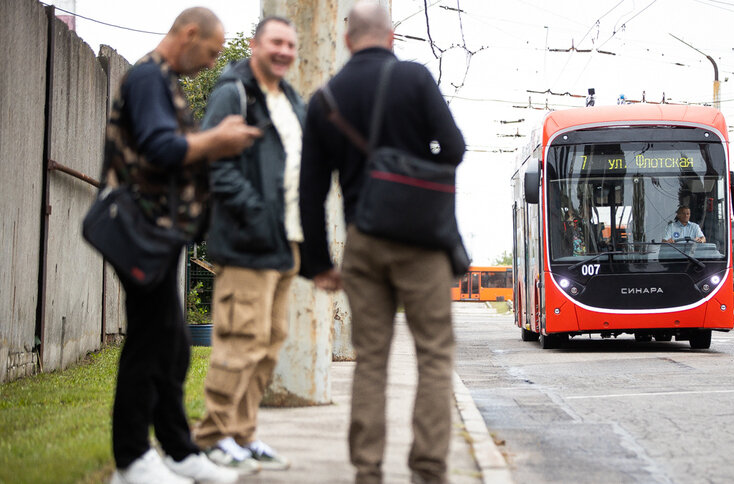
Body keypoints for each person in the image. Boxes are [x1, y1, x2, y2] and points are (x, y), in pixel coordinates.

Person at [299, 3, 466, 483]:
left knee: (371, 358)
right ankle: (429, 468)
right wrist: (414, 166)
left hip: (364, 240)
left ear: (347, 40)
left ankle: (367, 471)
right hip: (422, 242)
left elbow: (310, 192)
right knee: (433, 352)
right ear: (391, 38)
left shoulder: (325, 99)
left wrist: (320, 264)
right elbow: (453, 148)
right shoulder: (415, 79)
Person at [105, 7, 261, 484]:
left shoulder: (164, 80)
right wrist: (218, 138)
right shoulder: (149, 80)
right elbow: (159, 147)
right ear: (189, 33)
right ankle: (131, 460)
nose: (213, 63)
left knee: (171, 345)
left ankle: (177, 450)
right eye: (213, 52)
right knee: (150, 343)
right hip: (139, 230)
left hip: (158, 231)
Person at [192, 16, 304, 475]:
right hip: (245, 241)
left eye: (290, 45)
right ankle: (211, 437)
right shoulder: (233, 93)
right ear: (257, 45)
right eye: (276, 42)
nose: (283, 51)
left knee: (269, 342)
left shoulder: (290, 99)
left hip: (286, 242)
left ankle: (243, 434)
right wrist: (257, 214)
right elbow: (214, 164)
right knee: (240, 339)